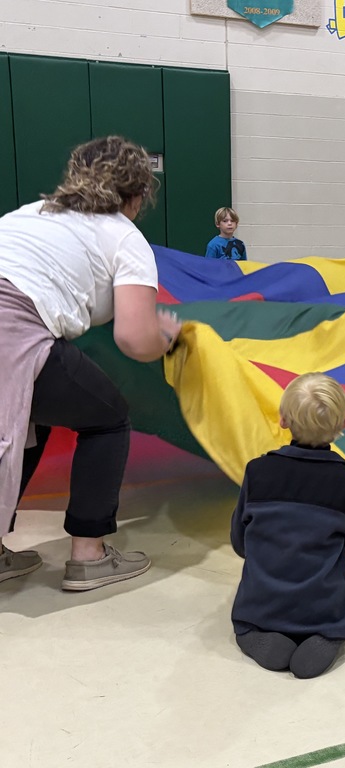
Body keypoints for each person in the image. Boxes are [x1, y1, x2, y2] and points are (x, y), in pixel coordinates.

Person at [0, 135, 181, 590]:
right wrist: (166, 338)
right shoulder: (123, 235)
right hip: (12, 326)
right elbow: (134, 338)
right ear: (138, 196)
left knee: (25, 423)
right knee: (108, 418)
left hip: (15, 324)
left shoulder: (30, 215)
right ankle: (89, 554)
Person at [230, 372, 345, 678]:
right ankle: (327, 633)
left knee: (248, 617)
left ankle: (255, 631)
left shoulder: (258, 472)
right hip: (324, 607)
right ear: (344, 424)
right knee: (341, 601)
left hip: (260, 604)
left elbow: (239, 541)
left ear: (283, 420)